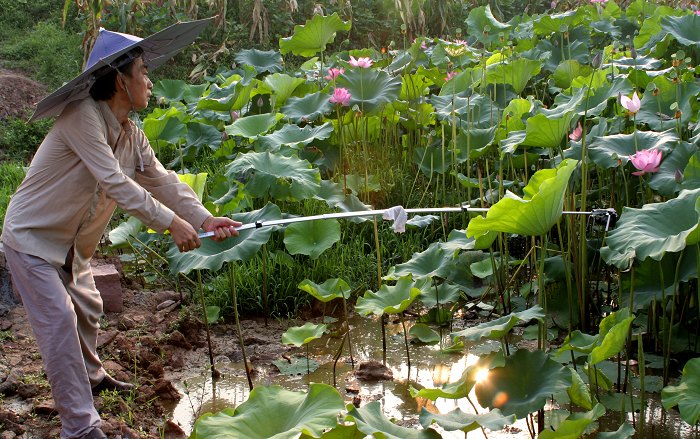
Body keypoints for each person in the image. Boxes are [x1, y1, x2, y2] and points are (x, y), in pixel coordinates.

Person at [1, 23, 239, 439]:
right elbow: (115, 183)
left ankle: (92, 376)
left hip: (74, 245)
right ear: (119, 81)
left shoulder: (131, 134)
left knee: (88, 308)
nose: (149, 81)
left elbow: (163, 182)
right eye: (143, 72)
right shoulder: (82, 117)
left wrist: (204, 219)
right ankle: (80, 426)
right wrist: (170, 224)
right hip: (33, 238)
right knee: (59, 320)